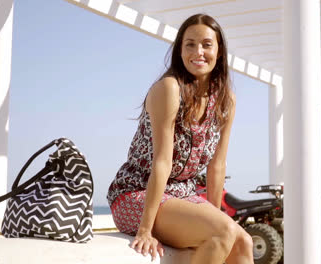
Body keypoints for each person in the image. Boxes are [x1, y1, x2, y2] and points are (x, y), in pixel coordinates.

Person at [106, 14, 254, 264]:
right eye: (190, 44)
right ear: (180, 50)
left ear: (219, 52)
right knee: (222, 231)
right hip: (137, 194)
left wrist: (214, 214)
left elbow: (217, 166)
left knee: (243, 242)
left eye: (207, 44)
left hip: (183, 195)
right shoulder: (169, 89)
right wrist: (145, 229)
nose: (198, 51)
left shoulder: (226, 100)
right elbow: (162, 162)